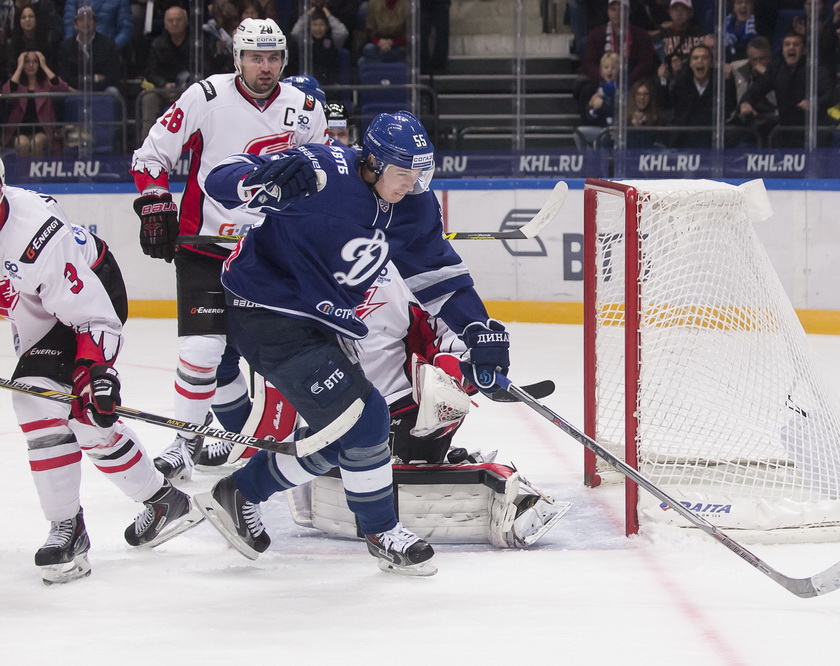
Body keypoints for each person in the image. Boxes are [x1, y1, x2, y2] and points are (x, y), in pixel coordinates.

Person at [193, 111, 511, 576]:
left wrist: (478, 331)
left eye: (421, 174)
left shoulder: (416, 207)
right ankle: (381, 531)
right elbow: (219, 179)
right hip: (265, 310)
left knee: (347, 433)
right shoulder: (322, 172)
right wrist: (257, 180)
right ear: (374, 163)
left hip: (323, 323)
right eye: (403, 173)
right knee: (368, 418)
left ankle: (241, 490)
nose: (411, 184)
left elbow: (440, 277)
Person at [129, 18, 328, 482]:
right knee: (201, 348)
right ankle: (186, 438)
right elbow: (151, 155)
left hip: (271, 253)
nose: (265, 67)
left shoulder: (304, 108)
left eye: (274, 57)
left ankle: (276, 434)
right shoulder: (206, 97)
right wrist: (156, 204)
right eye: (256, 57)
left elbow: (325, 173)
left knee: (277, 352)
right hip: (207, 248)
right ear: (237, 58)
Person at [0, 158, 203, 585]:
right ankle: (164, 502)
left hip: (91, 298)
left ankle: (68, 531)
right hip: (37, 314)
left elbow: (93, 317)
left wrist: (95, 374)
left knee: (47, 402)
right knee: (83, 424)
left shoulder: (33, 236)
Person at [285, 261, 569, 549]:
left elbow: (450, 341)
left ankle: (408, 465)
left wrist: (459, 374)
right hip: (328, 409)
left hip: (399, 412)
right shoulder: (306, 262)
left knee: (438, 400)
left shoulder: (407, 276)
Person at [139, 5, 197, 142]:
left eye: (178, 20)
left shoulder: (197, 43)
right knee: (149, 98)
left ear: (186, 22)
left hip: (190, 89)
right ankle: (145, 146)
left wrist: (186, 87)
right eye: (171, 20)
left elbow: (204, 69)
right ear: (165, 24)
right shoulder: (157, 44)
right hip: (164, 89)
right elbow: (151, 71)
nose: (175, 23)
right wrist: (164, 84)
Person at [2, 49, 69, 156]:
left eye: (35, 61)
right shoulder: (17, 84)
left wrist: (44, 65)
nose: (31, 65)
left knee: (36, 142)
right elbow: (6, 93)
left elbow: (62, 88)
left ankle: (37, 172)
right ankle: (23, 173)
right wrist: (19, 67)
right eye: (27, 62)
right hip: (19, 131)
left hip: (43, 130)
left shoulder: (45, 84)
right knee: (22, 144)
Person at [582, 0, 656, 87]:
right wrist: (604, 78)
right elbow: (589, 63)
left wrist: (627, 80)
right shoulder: (595, 34)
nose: (617, 13)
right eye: (613, 9)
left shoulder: (641, 35)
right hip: (602, 80)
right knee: (587, 90)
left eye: (621, 9)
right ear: (608, 12)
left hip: (633, 81)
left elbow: (645, 62)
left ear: (628, 11)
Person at [55, 6, 123, 92]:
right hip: (74, 90)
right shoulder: (65, 46)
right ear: (75, 25)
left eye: (89, 19)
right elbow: (65, 77)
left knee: (113, 91)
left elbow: (113, 76)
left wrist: (91, 88)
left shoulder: (108, 44)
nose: (86, 23)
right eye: (81, 19)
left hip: (101, 89)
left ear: (95, 23)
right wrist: (94, 78)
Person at [61, 0, 132, 52]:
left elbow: (126, 29)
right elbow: (69, 24)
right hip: (78, 51)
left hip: (108, 53)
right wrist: (71, 48)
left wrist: (112, 49)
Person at [358, 0, 407, 64]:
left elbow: (409, 35)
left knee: (363, 61)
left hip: (399, 46)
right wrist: (379, 42)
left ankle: (372, 63)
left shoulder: (407, 4)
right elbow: (370, 31)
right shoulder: (374, 3)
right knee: (368, 49)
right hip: (378, 44)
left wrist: (392, 42)